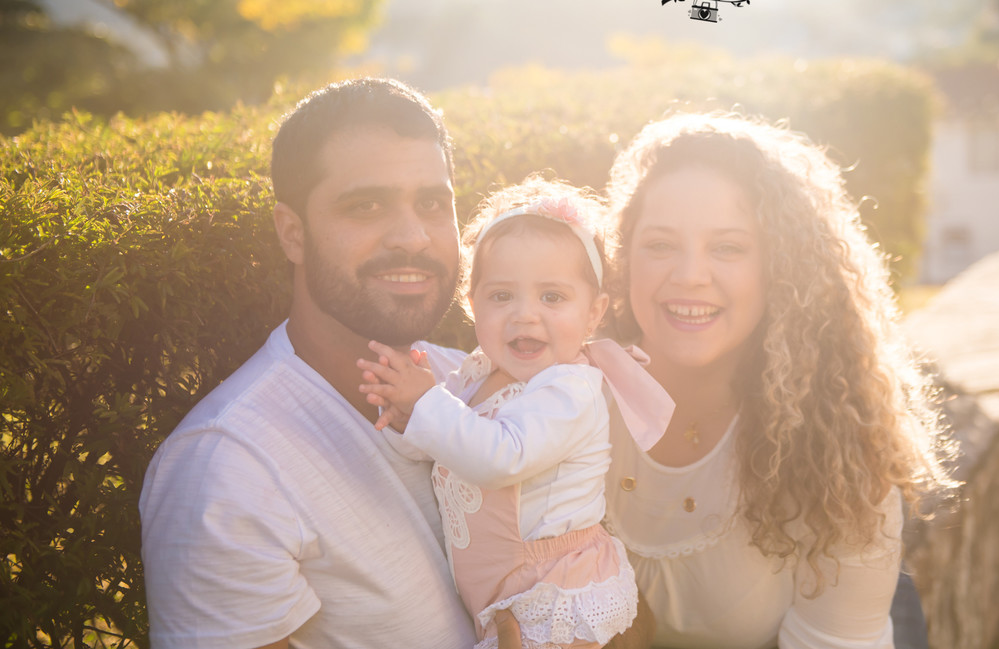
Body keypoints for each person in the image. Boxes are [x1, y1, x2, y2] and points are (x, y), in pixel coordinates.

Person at [138, 78, 481, 649]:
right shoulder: (228, 470)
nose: (413, 237)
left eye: (432, 204)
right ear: (292, 233)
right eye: (366, 206)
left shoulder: (478, 385)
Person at [600, 113, 953, 649]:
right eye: (661, 245)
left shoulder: (839, 451)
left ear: (780, 268)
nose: (690, 274)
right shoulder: (563, 390)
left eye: (728, 248)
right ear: (625, 259)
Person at [356, 178, 675, 649]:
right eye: (502, 296)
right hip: (506, 594)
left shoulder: (571, 389)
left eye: (552, 297)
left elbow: (502, 457)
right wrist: (405, 415)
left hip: (557, 591)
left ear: (593, 313)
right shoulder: (476, 373)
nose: (525, 314)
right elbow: (441, 446)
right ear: (472, 304)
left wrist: (426, 403)